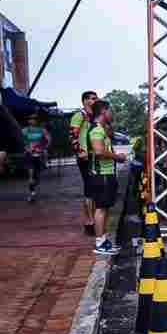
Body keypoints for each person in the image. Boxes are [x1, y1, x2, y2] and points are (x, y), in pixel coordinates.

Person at [88, 100, 128, 255]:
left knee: (105, 208)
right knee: (101, 209)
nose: (111, 114)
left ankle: (104, 241)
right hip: (101, 175)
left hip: (107, 173)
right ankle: (99, 243)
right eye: (110, 111)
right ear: (104, 111)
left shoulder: (101, 129)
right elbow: (98, 151)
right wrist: (117, 157)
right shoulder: (97, 130)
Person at [70, 90, 98, 234]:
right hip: (85, 157)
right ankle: (89, 221)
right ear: (85, 101)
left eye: (95, 98)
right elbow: (73, 135)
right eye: (92, 98)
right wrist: (80, 152)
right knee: (89, 189)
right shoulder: (79, 115)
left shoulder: (93, 117)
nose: (95, 101)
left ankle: (93, 219)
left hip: (94, 156)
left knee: (94, 189)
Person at [22, 113, 50, 201]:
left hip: (39, 155)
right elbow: (22, 142)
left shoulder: (42, 130)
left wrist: (44, 147)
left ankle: (33, 188)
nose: (32, 120)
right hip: (29, 155)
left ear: (37, 121)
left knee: (37, 177)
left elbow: (49, 139)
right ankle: (32, 194)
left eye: (34, 119)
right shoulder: (25, 130)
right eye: (30, 119)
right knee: (30, 176)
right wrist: (27, 148)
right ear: (28, 120)